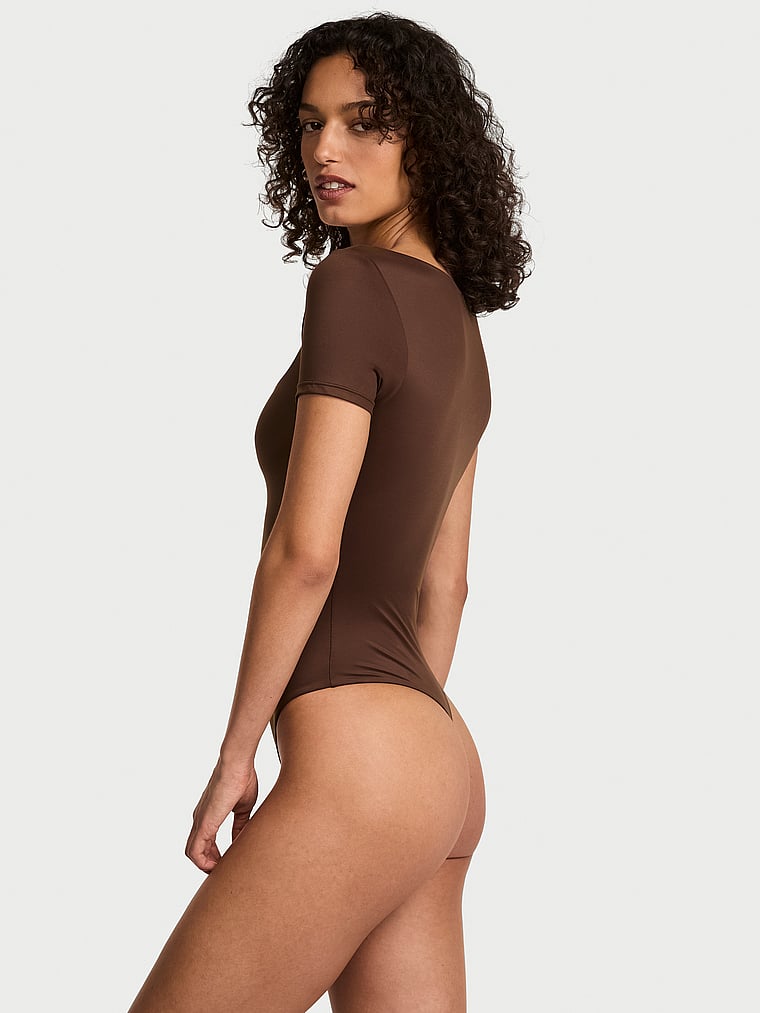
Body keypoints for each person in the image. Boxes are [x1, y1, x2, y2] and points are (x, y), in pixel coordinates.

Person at [127, 13, 532, 1012]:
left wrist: (237, 757)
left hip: (363, 757)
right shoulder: (460, 329)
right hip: (438, 753)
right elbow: (448, 585)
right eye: (310, 124)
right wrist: (413, 771)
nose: (324, 149)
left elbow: (305, 552)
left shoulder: (353, 284)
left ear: (427, 141)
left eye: (363, 122)